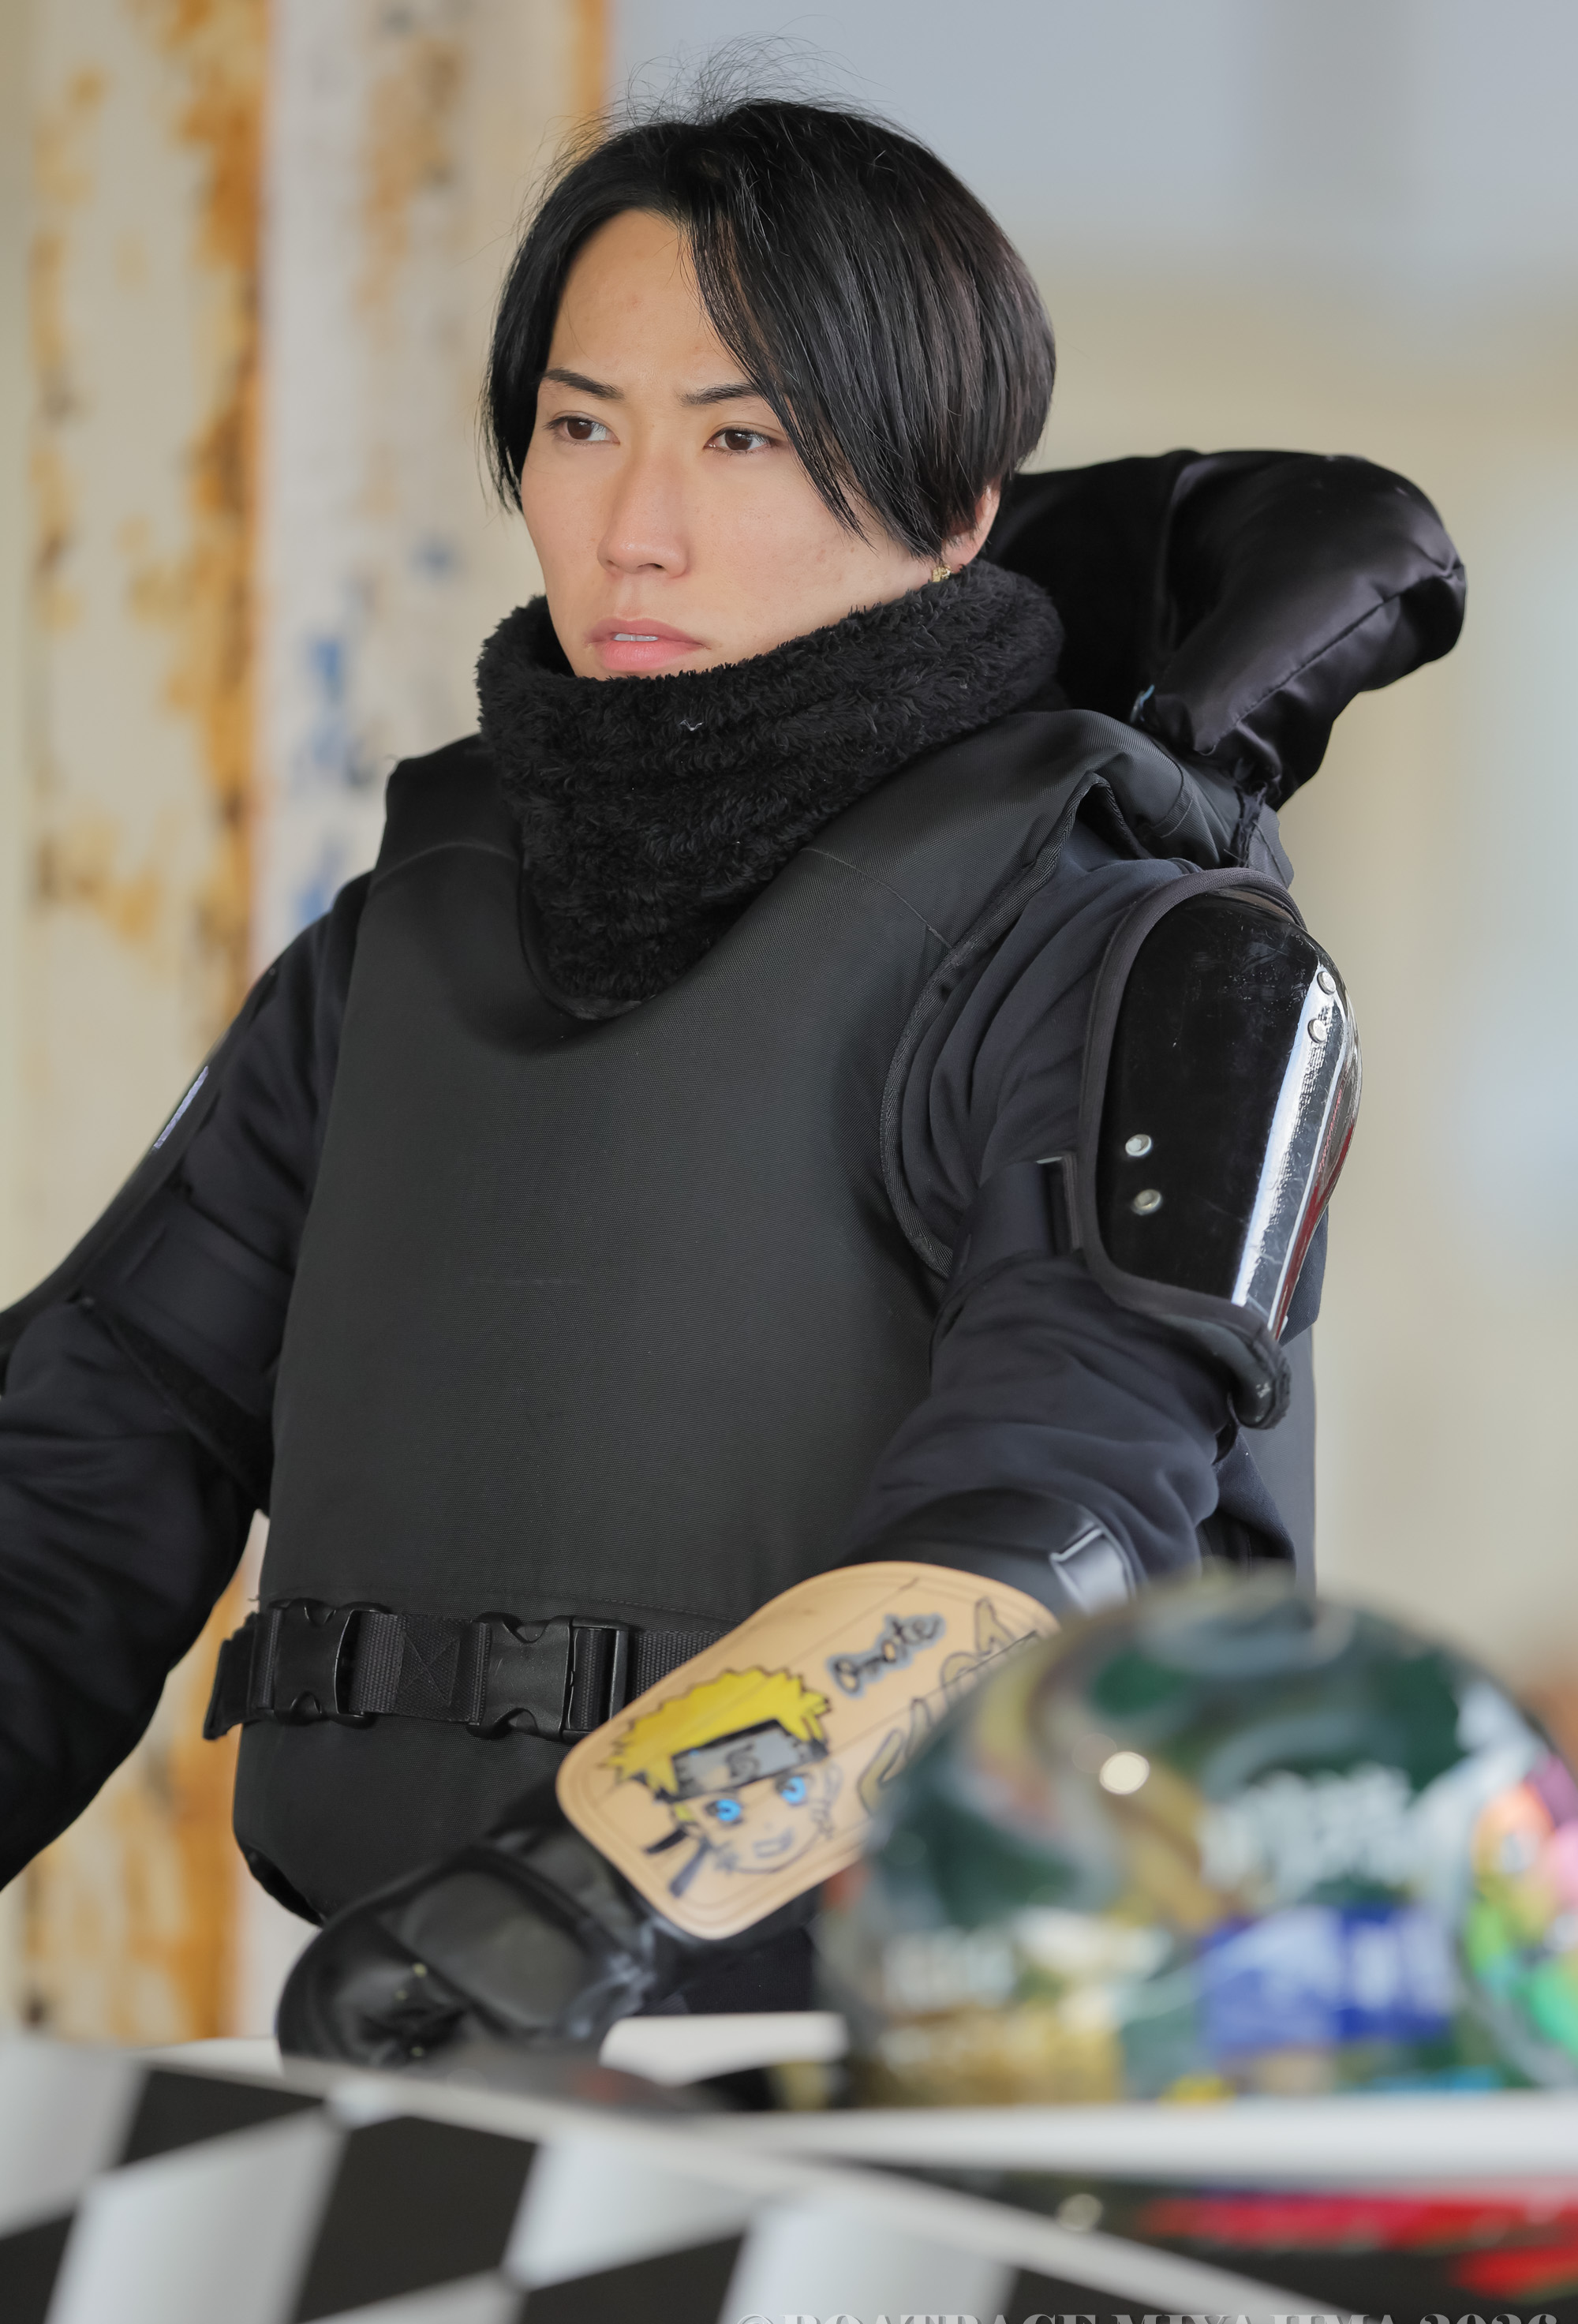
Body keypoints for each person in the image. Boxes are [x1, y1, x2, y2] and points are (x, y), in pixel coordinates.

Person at [0, 93, 1463, 2033]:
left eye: (741, 437)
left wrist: (562, 1908)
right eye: (579, 427)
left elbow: (1055, 1535)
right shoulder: (392, 957)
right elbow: (78, 1477)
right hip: (465, 2048)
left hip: (977, 2079)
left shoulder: (1140, 954)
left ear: (955, 507)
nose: (637, 528)